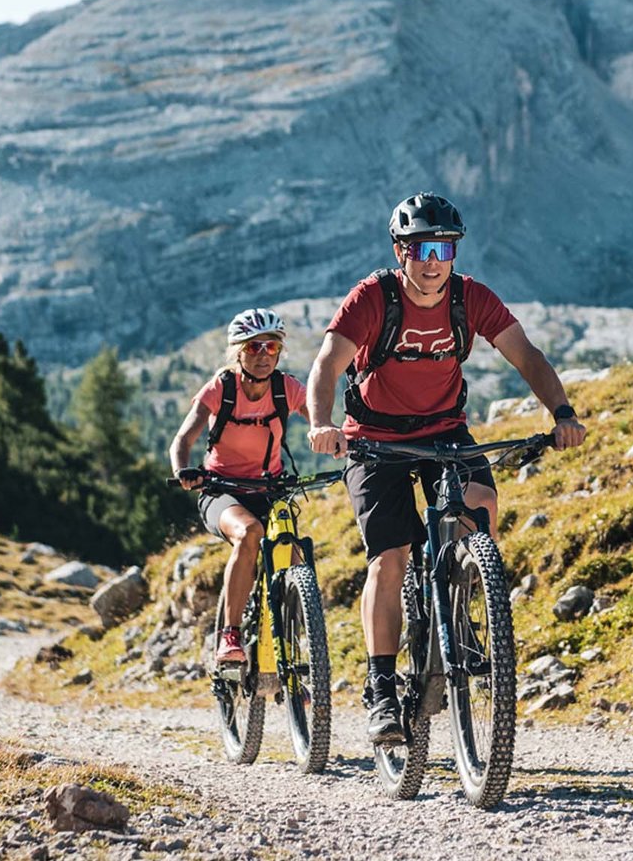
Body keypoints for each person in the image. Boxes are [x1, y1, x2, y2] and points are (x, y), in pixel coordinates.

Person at [306, 193, 587, 743]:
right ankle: (382, 689)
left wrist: (563, 413)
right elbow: (327, 364)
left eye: (443, 248)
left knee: (481, 501)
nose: (432, 260)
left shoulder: (470, 297)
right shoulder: (373, 297)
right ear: (399, 251)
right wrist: (321, 423)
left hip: (443, 431)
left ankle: (458, 602)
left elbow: (526, 355)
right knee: (389, 558)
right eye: (418, 249)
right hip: (375, 441)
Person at [169, 308, 310, 665]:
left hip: (268, 488)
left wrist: (337, 438)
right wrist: (184, 469)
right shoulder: (222, 388)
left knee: (294, 557)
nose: (263, 355)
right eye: (253, 348)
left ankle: (291, 659)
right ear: (238, 352)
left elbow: (320, 418)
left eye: (271, 348)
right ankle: (229, 636)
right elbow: (183, 439)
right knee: (250, 532)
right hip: (221, 490)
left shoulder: (287, 388)